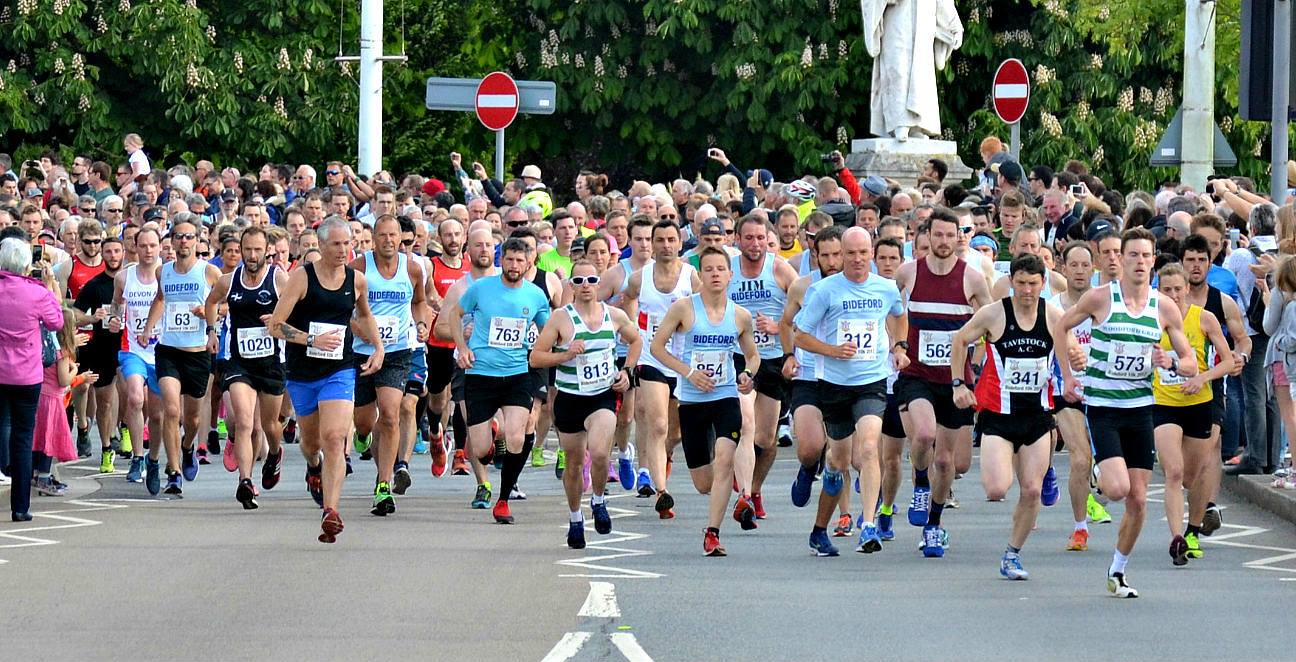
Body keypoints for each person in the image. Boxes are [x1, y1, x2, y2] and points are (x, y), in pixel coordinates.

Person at [1053, 227, 1197, 598]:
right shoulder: (1102, 298)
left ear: (1153, 261)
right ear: (1118, 259)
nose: (1138, 262)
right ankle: (1101, 472)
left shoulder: (1163, 307)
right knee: (1117, 489)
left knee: (1137, 498)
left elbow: (1190, 363)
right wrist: (1069, 371)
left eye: (1145, 256)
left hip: (1141, 408)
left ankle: (1117, 570)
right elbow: (1062, 326)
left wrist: (1170, 361)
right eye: (1130, 255)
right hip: (1103, 405)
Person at [792, 228, 908, 557]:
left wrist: (899, 346)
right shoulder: (824, 291)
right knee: (838, 462)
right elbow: (800, 335)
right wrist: (830, 350)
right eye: (851, 253)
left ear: (871, 253)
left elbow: (900, 318)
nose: (858, 259)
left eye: (863, 252)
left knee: (869, 448)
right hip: (834, 386)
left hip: (871, 381)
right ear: (841, 254)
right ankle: (819, 530)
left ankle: (868, 524)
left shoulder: (886, 288)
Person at [267, 217, 383, 543]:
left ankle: (330, 512)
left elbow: (364, 315)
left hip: (340, 369)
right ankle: (313, 466)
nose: (344, 250)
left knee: (335, 438)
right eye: (336, 244)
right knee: (311, 443)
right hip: (303, 373)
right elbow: (276, 325)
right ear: (320, 245)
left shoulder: (357, 280)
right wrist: (309, 340)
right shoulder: (301, 279)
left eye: (348, 243)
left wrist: (378, 347)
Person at [951, 254, 1062, 579]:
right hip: (998, 416)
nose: (1027, 290)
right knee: (997, 488)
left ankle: (1012, 554)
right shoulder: (994, 314)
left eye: (1033, 284)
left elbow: (1070, 350)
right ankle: (1012, 470)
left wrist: (1075, 360)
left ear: (1043, 284)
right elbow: (960, 340)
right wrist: (959, 383)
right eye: (1021, 283)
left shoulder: (1053, 315)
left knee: (1031, 490)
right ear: (1011, 282)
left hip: (1038, 416)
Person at [651, 246, 761, 556]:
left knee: (726, 457)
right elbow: (658, 348)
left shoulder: (740, 315)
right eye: (708, 269)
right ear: (701, 275)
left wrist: (746, 374)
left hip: (725, 395)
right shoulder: (684, 309)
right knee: (704, 483)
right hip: (692, 400)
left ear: (730, 275)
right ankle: (727, 497)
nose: (714, 274)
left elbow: (752, 354)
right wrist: (688, 373)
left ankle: (713, 532)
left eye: (720, 269)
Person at [894, 208, 991, 557]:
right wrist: (897, 346)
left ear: (959, 238)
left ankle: (934, 525)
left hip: (955, 381)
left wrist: (978, 366)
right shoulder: (908, 274)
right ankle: (921, 482)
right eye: (939, 235)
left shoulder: (972, 279)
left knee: (950, 463)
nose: (945, 241)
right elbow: (890, 314)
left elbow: (991, 324)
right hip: (916, 374)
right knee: (923, 434)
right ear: (927, 237)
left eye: (952, 235)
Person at [530, 259, 642, 548]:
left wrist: (626, 372)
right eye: (579, 281)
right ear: (571, 286)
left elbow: (636, 341)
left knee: (601, 454)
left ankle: (599, 500)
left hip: (602, 396)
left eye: (592, 280)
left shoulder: (613, 315)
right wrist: (564, 355)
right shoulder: (560, 319)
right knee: (574, 465)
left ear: (599, 283)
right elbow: (536, 357)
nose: (586, 287)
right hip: (569, 398)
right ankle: (575, 517)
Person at [443, 237, 552, 525]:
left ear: (529, 263)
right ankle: (491, 433)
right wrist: (462, 348)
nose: (514, 265)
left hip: (517, 374)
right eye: (509, 259)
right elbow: (455, 314)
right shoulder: (480, 289)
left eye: (520, 260)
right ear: (501, 260)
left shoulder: (536, 295)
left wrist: (549, 350)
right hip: (480, 375)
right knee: (478, 450)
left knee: (517, 437)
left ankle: (503, 500)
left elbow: (549, 330)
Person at [1150, 262, 1234, 565]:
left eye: (1177, 289)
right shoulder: (1151, 320)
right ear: (1158, 291)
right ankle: (1177, 540)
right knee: (1173, 473)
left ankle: (1194, 529)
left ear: (1188, 289)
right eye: (1166, 289)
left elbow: (1229, 361)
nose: (1172, 295)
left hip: (1200, 404)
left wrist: (1201, 377)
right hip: (1164, 403)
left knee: (1190, 477)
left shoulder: (1204, 318)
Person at [348, 215, 430, 516]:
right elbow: (344, 308)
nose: (388, 241)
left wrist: (421, 322)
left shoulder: (411, 268)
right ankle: (361, 437)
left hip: (397, 350)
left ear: (401, 237)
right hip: (362, 352)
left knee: (392, 414)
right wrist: (358, 328)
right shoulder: (359, 267)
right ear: (374, 237)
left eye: (393, 235)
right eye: (382, 235)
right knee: (365, 421)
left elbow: (420, 302)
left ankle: (383, 484)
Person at [618, 220, 701, 518]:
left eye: (671, 239)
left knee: (675, 432)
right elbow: (627, 297)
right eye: (660, 240)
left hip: (682, 360)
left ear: (680, 243)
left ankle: (663, 457)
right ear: (651, 245)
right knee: (657, 424)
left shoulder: (691, 277)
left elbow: (705, 309)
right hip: (652, 357)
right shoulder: (641, 278)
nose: (666, 245)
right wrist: (632, 328)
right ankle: (662, 492)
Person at [203, 226, 290, 509]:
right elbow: (211, 302)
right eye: (247, 250)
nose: (252, 256)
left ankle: (275, 454)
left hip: (271, 362)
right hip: (239, 361)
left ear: (268, 251)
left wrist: (277, 322)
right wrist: (212, 331)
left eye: (257, 250)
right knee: (243, 422)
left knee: (269, 425)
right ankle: (245, 481)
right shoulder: (229, 281)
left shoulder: (278, 279)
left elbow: (297, 312)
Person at [139, 217, 221, 496]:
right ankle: (173, 473)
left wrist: (209, 314)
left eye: (189, 237)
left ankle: (188, 448)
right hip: (169, 350)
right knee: (171, 410)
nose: (183, 242)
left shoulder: (209, 272)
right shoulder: (164, 272)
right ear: (171, 242)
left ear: (198, 241)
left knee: (193, 419)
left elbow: (226, 306)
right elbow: (160, 299)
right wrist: (148, 328)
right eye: (178, 237)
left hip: (198, 353)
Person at [727, 214, 799, 518]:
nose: (755, 244)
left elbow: (804, 311)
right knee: (746, 423)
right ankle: (743, 492)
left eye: (760, 238)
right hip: (737, 357)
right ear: (738, 240)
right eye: (749, 238)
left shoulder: (780, 270)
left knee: (766, 438)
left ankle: (754, 488)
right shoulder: (727, 270)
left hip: (771, 359)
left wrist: (780, 326)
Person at [1049, 242, 1112, 552]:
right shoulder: (1051, 305)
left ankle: (1098, 490)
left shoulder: (1106, 303)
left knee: (1111, 475)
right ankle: (1080, 527)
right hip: (1066, 391)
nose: (1078, 270)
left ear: (1093, 267)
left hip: (1103, 391)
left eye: (1084, 265)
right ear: (1063, 267)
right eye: (1072, 265)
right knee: (1080, 458)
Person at [782, 227, 844, 529]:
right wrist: (789, 356)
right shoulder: (801, 287)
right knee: (809, 446)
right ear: (814, 255)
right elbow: (785, 324)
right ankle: (808, 467)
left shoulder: (859, 287)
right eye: (826, 255)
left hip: (845, 376)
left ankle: (841, 515)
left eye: (837, 254)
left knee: (846, 453)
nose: (832, 261)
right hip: (807, 374)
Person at [0, 237, 65, 521]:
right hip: (27, 374)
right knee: (23, 439)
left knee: (3, 427)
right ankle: (20, 507)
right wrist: (48, 285)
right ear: (27, 265)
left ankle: (4, 468)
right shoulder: (35, 291)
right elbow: (56, 322)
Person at [433, 228, 499, 507]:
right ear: (467, 251)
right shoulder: (460, 288)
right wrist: (464, 334)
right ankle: (483, 484)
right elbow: (440, 329)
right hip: (468, 365)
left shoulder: (506, 282)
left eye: (488, 245)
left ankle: (498, 446)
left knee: (505, 430)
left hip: (505, 365)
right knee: (475, 427)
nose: (483, 250)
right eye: (478, 245)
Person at [595, 216, 655, 492]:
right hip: (621, 352)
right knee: (625, 416)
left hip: (654, 353)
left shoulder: (665, 272)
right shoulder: (617, 274)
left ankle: (645, 470)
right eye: (639, 239)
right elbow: (587, 307)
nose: (644, 244)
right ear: (629, 241)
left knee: (645, 412)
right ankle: (623, 455)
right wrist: (613, 307)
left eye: (648, 238)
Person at [111, 227, 165, 490]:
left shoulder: (168, 275)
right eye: (143, 245)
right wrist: (113, 319)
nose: (148, 251)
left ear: (160, 247)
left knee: (156, 414)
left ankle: (153, 459)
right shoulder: (124, 277)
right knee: (134, 397)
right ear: (135, 246)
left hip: (162, 350)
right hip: (132, 347)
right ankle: (137, 457)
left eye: (153, 245)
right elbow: (116, 306)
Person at [71, 236, 125, 474]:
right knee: (104, 401)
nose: (113, 256)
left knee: (133, 397)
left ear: (123, 253)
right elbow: (76, 314)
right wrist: (93, 317)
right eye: (108, 252)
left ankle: (129, 439)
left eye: (116, 251)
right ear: (102, 256)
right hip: (102, 347)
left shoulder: (131, 281)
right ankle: (106, 448)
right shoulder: (95, 285)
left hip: (128, 347)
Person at [32, 307, 93, 497]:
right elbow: (64, 380)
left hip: (41, 396)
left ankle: (36, 474)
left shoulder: (48, 347)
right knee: (49, 440)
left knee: (38, 439)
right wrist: (76, 371)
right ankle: (44, 476)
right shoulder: (63, 352)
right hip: (52, 400)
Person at [425, 219, 468, 477]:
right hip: (439, 341)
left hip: (464, 343)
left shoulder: (471, 268)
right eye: (447, 235)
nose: (452, 239)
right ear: (439, 238)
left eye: (456, 234)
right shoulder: (432, 266)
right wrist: (442, 306)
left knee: (461, 396)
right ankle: (435, 433)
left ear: (464, 237)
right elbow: (429, 296)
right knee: (438, 396)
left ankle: (460, 455)